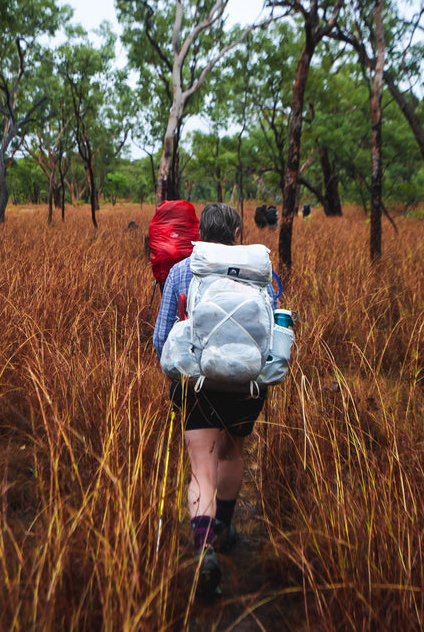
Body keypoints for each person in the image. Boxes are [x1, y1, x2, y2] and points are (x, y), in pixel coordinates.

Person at [152, 202, 272, 597]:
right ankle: (224, 526)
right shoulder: (261, 272)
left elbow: (161, 338)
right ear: (237, 233)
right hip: (247, 387)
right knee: (232, 455)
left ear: (199, 233)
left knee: (201, 471)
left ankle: (205, 550)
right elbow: (273, 331)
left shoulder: (182, 271)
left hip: (197, 385)